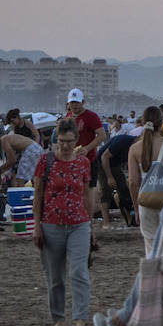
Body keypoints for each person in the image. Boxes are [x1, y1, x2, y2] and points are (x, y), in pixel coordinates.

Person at [33, 119, 94, 326]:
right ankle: (58, 318)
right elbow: (38, 194)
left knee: (79, 272)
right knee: (55, 276)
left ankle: (80, 320)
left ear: (76, 141)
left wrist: (91, 225)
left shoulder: (83, 163)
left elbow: (86, 194)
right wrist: (37, 225)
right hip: (51, 224)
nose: (65, 146)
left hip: (79, 223)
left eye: (69, 141)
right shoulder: (45, 161)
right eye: (61, 141)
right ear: (55, 140)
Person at [127, 105, 163, 254]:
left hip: (147, 202)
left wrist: (136, 208)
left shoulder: (135, 149)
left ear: (143, 123)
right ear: (161, 123)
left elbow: (133, 183)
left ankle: (153, 276)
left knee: (151, 250)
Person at [63, 89, 108, 224]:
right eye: (72, 103)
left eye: (77, 103)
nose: (75, 106)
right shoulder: (69, 116)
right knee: (73, 189)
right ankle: (76, 216)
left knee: (89, 191)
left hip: (89, 160)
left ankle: (88, 220)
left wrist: (88, 148)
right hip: (72, 159)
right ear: (68, 104)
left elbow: (102, 135)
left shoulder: (91, 116)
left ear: (82, 102)